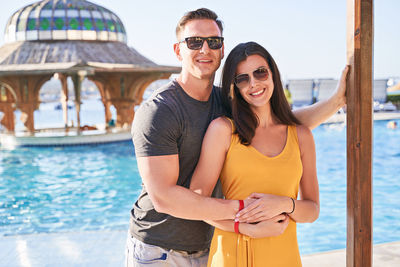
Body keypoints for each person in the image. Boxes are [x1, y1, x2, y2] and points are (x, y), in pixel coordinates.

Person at [127, 8, 349, 267]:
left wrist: (336, 101)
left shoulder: (228, 101)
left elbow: (282, 125)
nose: (205, 49)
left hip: (210, 244)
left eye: (214, 42)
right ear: (178, 50)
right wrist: (249, 213)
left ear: (222, 50)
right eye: (194, 42)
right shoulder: (160, 111)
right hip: (161, 249)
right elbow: (164, 198)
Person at [190, 41, 318, 266]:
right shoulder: (223, 130)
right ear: (235, 87)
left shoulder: (301, 135)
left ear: (272, 74)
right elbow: (196, 203)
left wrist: (285, 204)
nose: (254, 84)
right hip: (233, 255)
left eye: (260, 73)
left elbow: (312, 210)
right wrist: (244, 228)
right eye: (242, 79)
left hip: (284, 257)